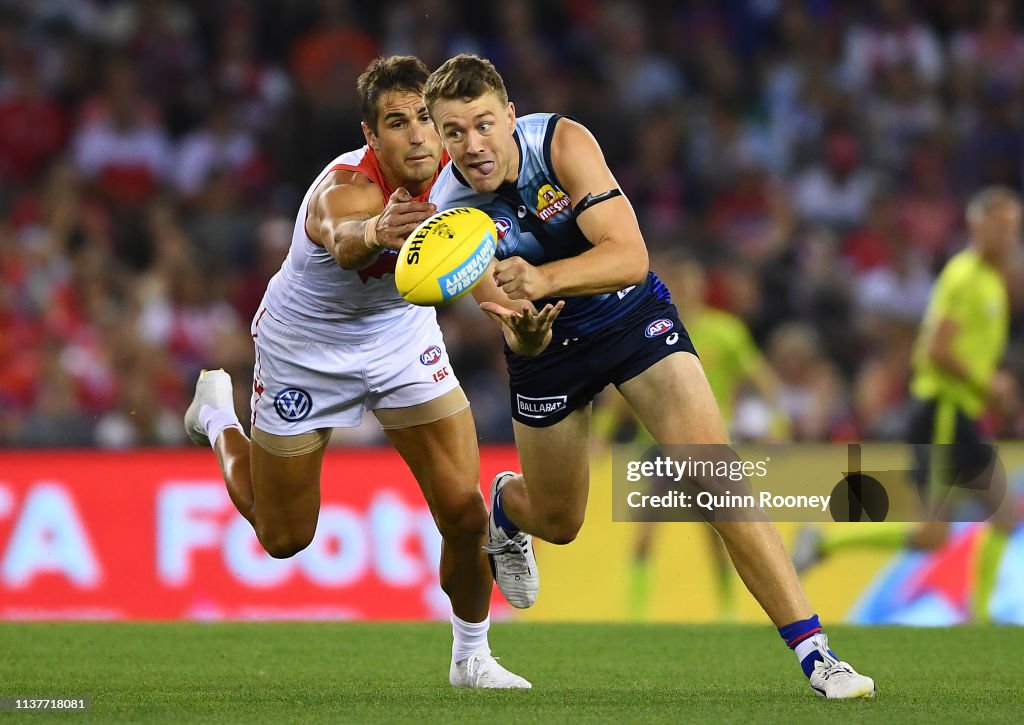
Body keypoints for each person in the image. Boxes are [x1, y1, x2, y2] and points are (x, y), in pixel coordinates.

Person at [423, 53, 874, 698]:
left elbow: (630, 257)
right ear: (440, 137)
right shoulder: (450, 211)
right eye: (455, 132)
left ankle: (818, 655)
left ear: (510, 117)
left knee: (715, 476)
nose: (473, 144)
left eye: (484, 124)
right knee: (560, 522)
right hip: (547, 351)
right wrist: (524, 327)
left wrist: (545, 279)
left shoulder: (563, 143)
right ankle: (507, 504)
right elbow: (498, 305)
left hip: (630, 319)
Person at [183, 56, 529, 689]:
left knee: (463, 509)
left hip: (400, 340)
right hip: (306, 349)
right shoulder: (344, 185)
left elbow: (473, 253)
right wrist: (374, 230)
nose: (419, 135)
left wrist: (508, 314)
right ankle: (216, 417)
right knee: (283, 537)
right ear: (372, 136)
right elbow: (341, 236)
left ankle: (472, 656)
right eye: (397, 123)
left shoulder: (460, 174)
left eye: (426, 117)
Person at [792, 186, 1022, 623]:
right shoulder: (965, 276)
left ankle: (978, 616)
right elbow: (937, 349)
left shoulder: (992, 282)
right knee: (966, 524)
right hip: (942, 413)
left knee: (979, 524)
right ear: (977, 226)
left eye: (1014, 226)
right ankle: (978, 618)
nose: (1009, 235)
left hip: (960, 415)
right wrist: (990, 384)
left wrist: (992, 392)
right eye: (1000, 224)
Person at [593, 254, 790, 621]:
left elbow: (761, 378)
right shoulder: (647, 326)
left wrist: (776, 425)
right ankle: (636, 613)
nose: (683, 289)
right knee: (646, 530)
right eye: (677, 282)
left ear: (701, 287)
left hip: (705, 444)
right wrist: (602, 436)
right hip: (656, 444)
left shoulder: (725, 331)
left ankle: (729, 609)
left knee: (718, 531)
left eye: (689, 282)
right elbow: (622, 393)